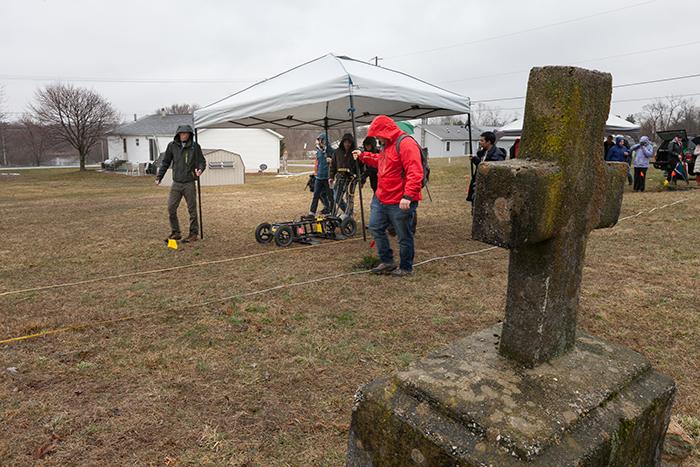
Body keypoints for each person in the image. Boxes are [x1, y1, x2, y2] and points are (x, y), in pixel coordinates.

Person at [352, 116, 422, 277]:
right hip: (382, 197)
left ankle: (406, 267)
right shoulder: (386, 145)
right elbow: (382, 162)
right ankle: (387, 261)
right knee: (375, 227)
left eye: (378, 135)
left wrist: (408, 196)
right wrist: (364, 156)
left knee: (403, 235)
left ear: (386, 131)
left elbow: (415, 171)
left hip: (400, 200)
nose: (377, 139)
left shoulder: (406, 143)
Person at [156, 124, 206, 243]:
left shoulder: (195, 146)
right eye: (181, 133)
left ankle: (193, 234)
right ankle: (176, 232)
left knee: (192, 210)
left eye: (186, 133)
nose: (184, 135)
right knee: (171, 208)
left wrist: (200, 169)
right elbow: (166, 162)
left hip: (189, 183)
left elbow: (202, 161)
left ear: (189, 135)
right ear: (178, 134)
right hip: (176, 183)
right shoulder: (172, 146)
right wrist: (159, 177)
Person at [467, 131, 506, 203]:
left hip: (488, 187)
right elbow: (482, 166)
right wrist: (476, 160)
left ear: (489, 142)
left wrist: (477, 161)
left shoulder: (497, 155)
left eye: (482, 140)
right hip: (478, 183)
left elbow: (491, 170)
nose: (480, 142)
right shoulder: (484, 152)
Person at [330, 133, 360, 214]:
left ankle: (348, 216)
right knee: (336, 197)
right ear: (343, 142)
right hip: (340, 177)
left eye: (349, 142)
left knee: (349, 198)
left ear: (352, 143)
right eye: (345, 142)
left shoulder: (355, 152)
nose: (347, 144)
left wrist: (359, 177)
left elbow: (360, 165)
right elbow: (333, 165)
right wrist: (331, 177)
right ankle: (348, 211)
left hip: (351, 178)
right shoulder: (337, 152)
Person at [308, 133, 332, 215]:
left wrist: (331, 161)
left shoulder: (330, 150)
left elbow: (335, 162)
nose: (318, 142)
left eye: (320, 140)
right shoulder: (318, 151)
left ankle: (331, 211)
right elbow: (318, 163)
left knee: (330, 196)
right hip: (319, 177)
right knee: (316, 195)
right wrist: (315, 173)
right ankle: (312, 212)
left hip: (327, 177)